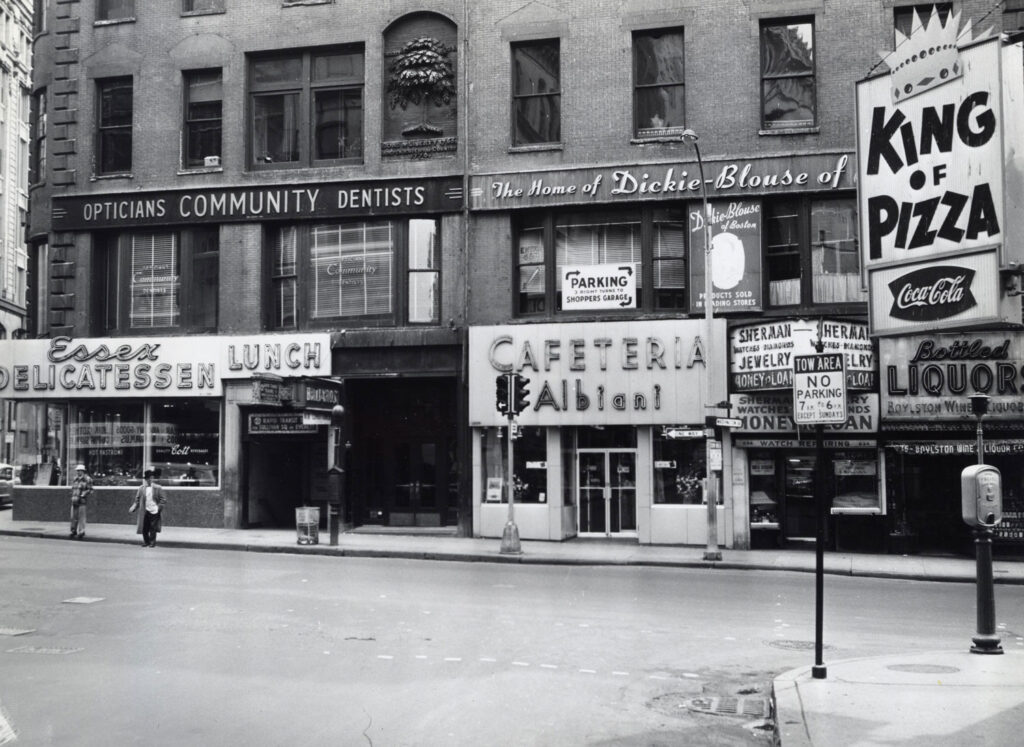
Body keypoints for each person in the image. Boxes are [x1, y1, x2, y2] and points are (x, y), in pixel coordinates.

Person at [129, 469, 167, 548]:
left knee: (153, 528)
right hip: (145, 511)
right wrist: (133, 507)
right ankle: (146, 541)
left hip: (154, 511)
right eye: (148, 478)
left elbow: (163, 499)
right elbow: (137, 500)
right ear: (146, 479)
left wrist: (158, 508)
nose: (149, 479)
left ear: (152, 478)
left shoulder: (158, 488)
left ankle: (152, 542)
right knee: (145, 528)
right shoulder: (141, 488)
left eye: (151, 478)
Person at [69, 464, 93, 539]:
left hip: (82, 501)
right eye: (77, 471)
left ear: (83, 471)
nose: (78, 472)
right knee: (73, 517)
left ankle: (81, 531)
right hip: (74, 500)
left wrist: (84, 493)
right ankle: (73, 530)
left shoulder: (87, 479)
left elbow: (91, 489)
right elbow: (73, 488)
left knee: (81, 517)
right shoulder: (75, 479)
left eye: (80, 471)